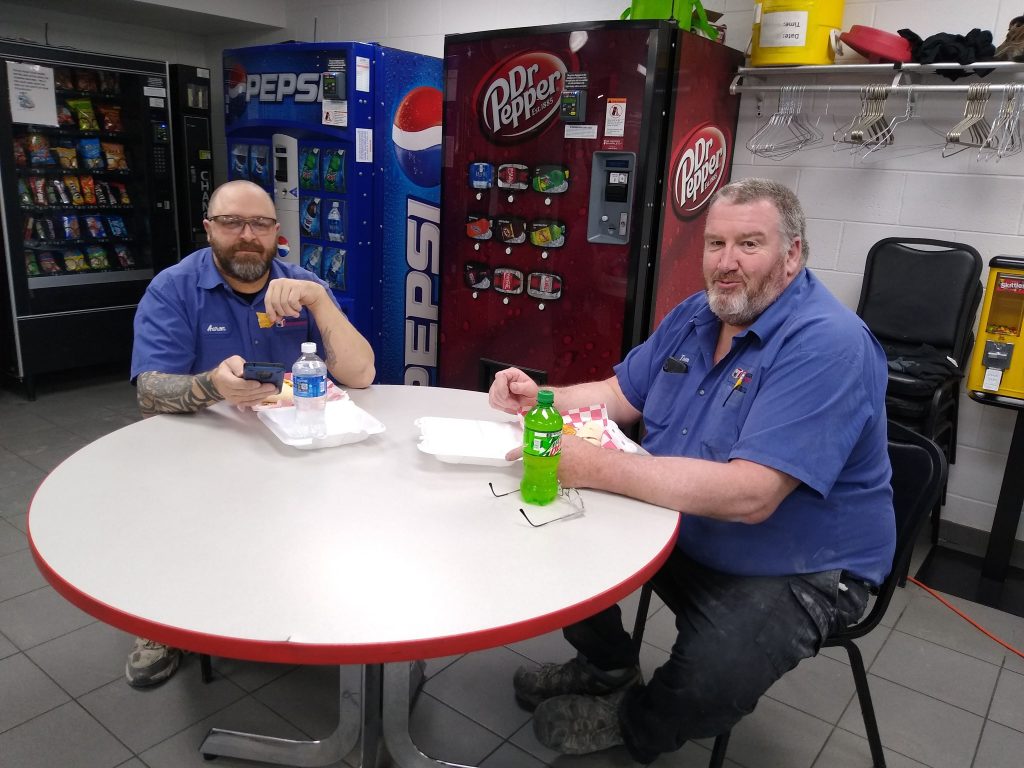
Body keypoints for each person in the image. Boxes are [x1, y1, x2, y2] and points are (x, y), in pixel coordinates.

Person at [488, 178, 895, 762]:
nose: (726, 264)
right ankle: (606, 665)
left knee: (717, 667)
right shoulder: (696, 315)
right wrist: (541, 398)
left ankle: (637, 724)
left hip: (801, 564)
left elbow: (753, 496)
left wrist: (592, 466)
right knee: (563, 537)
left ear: (793, 255)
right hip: (688, 521)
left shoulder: (829, 345)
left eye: (749, 245)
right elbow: (618, 393)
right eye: (715, 244)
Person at [125, 179, 375, 687]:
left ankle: (305, 596)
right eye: (232, 222)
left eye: (259, 224)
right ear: (209, 229)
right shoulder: (174, 288)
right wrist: (211, 386)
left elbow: (362, 375)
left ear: (276, 233)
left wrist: (321, 302)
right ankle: (160, 620)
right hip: (201, 455)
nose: (247, 235)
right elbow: (149, 391)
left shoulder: (300, 283)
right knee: (170, 515)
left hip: (293, 451)